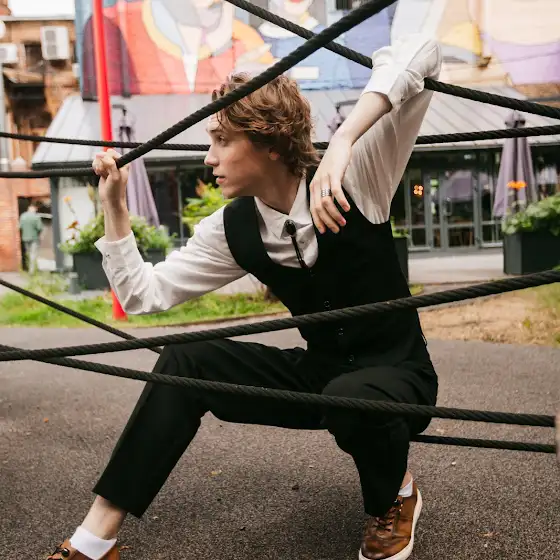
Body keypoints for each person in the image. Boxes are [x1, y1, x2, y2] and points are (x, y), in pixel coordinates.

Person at [47, 34, 442, 560]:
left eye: (221, 141)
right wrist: (114, 207)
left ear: (271, 143)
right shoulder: (232, 228)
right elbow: (143, 294)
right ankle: (94, 540)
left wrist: (345, 141)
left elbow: (422, 50)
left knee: (352, 397)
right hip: (320, 377)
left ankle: (395, 495)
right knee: (186, 359)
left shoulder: (357, 175)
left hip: (398, 377)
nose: (207, 157)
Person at [19, 202, 43, 274]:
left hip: (25, 237)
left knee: (28, 253)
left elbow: (20, 227)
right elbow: (39, 228)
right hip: (34, 237)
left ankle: (27, 268)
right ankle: (32, 270)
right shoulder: (36, 217)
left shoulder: (23, 216)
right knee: (33, 253)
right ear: (34, 209)